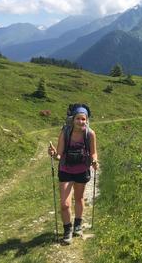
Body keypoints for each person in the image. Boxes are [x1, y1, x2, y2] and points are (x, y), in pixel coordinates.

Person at [48, 103, 98, 244]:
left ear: (87, 120)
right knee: (65, 204)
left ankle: (77, 225)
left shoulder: (90, 134)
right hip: (65, 170)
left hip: (82, 169)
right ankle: (67, 230)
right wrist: (53, 155)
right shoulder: (65, 132)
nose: (81, 122)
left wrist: (94, 160)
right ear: (72, 119)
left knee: (79, 198)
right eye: (78, 119)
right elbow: (59, 155)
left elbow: (93, 152)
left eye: (84, 119)